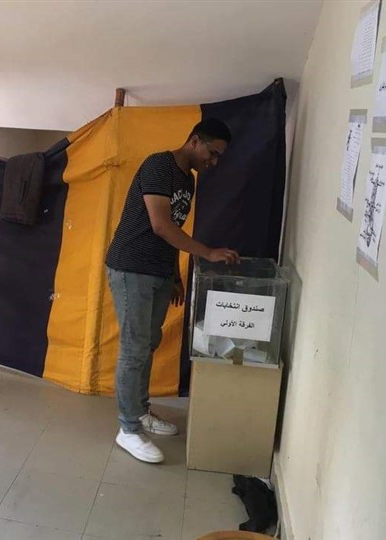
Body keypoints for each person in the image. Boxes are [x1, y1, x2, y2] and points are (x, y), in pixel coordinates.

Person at [105, 118, 239, 464]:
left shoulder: (187, 179)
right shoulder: (159, 166)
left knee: (148, 343)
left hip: (157, 271)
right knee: (134, 348)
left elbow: (172, 230)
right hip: (131, 268)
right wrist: (208, 253)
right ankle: (128, 429)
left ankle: (140, 410)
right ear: (195, 141)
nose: (214, 162)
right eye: (212, 153)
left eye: (218, 157)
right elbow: (161, 226)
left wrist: (174, 276)